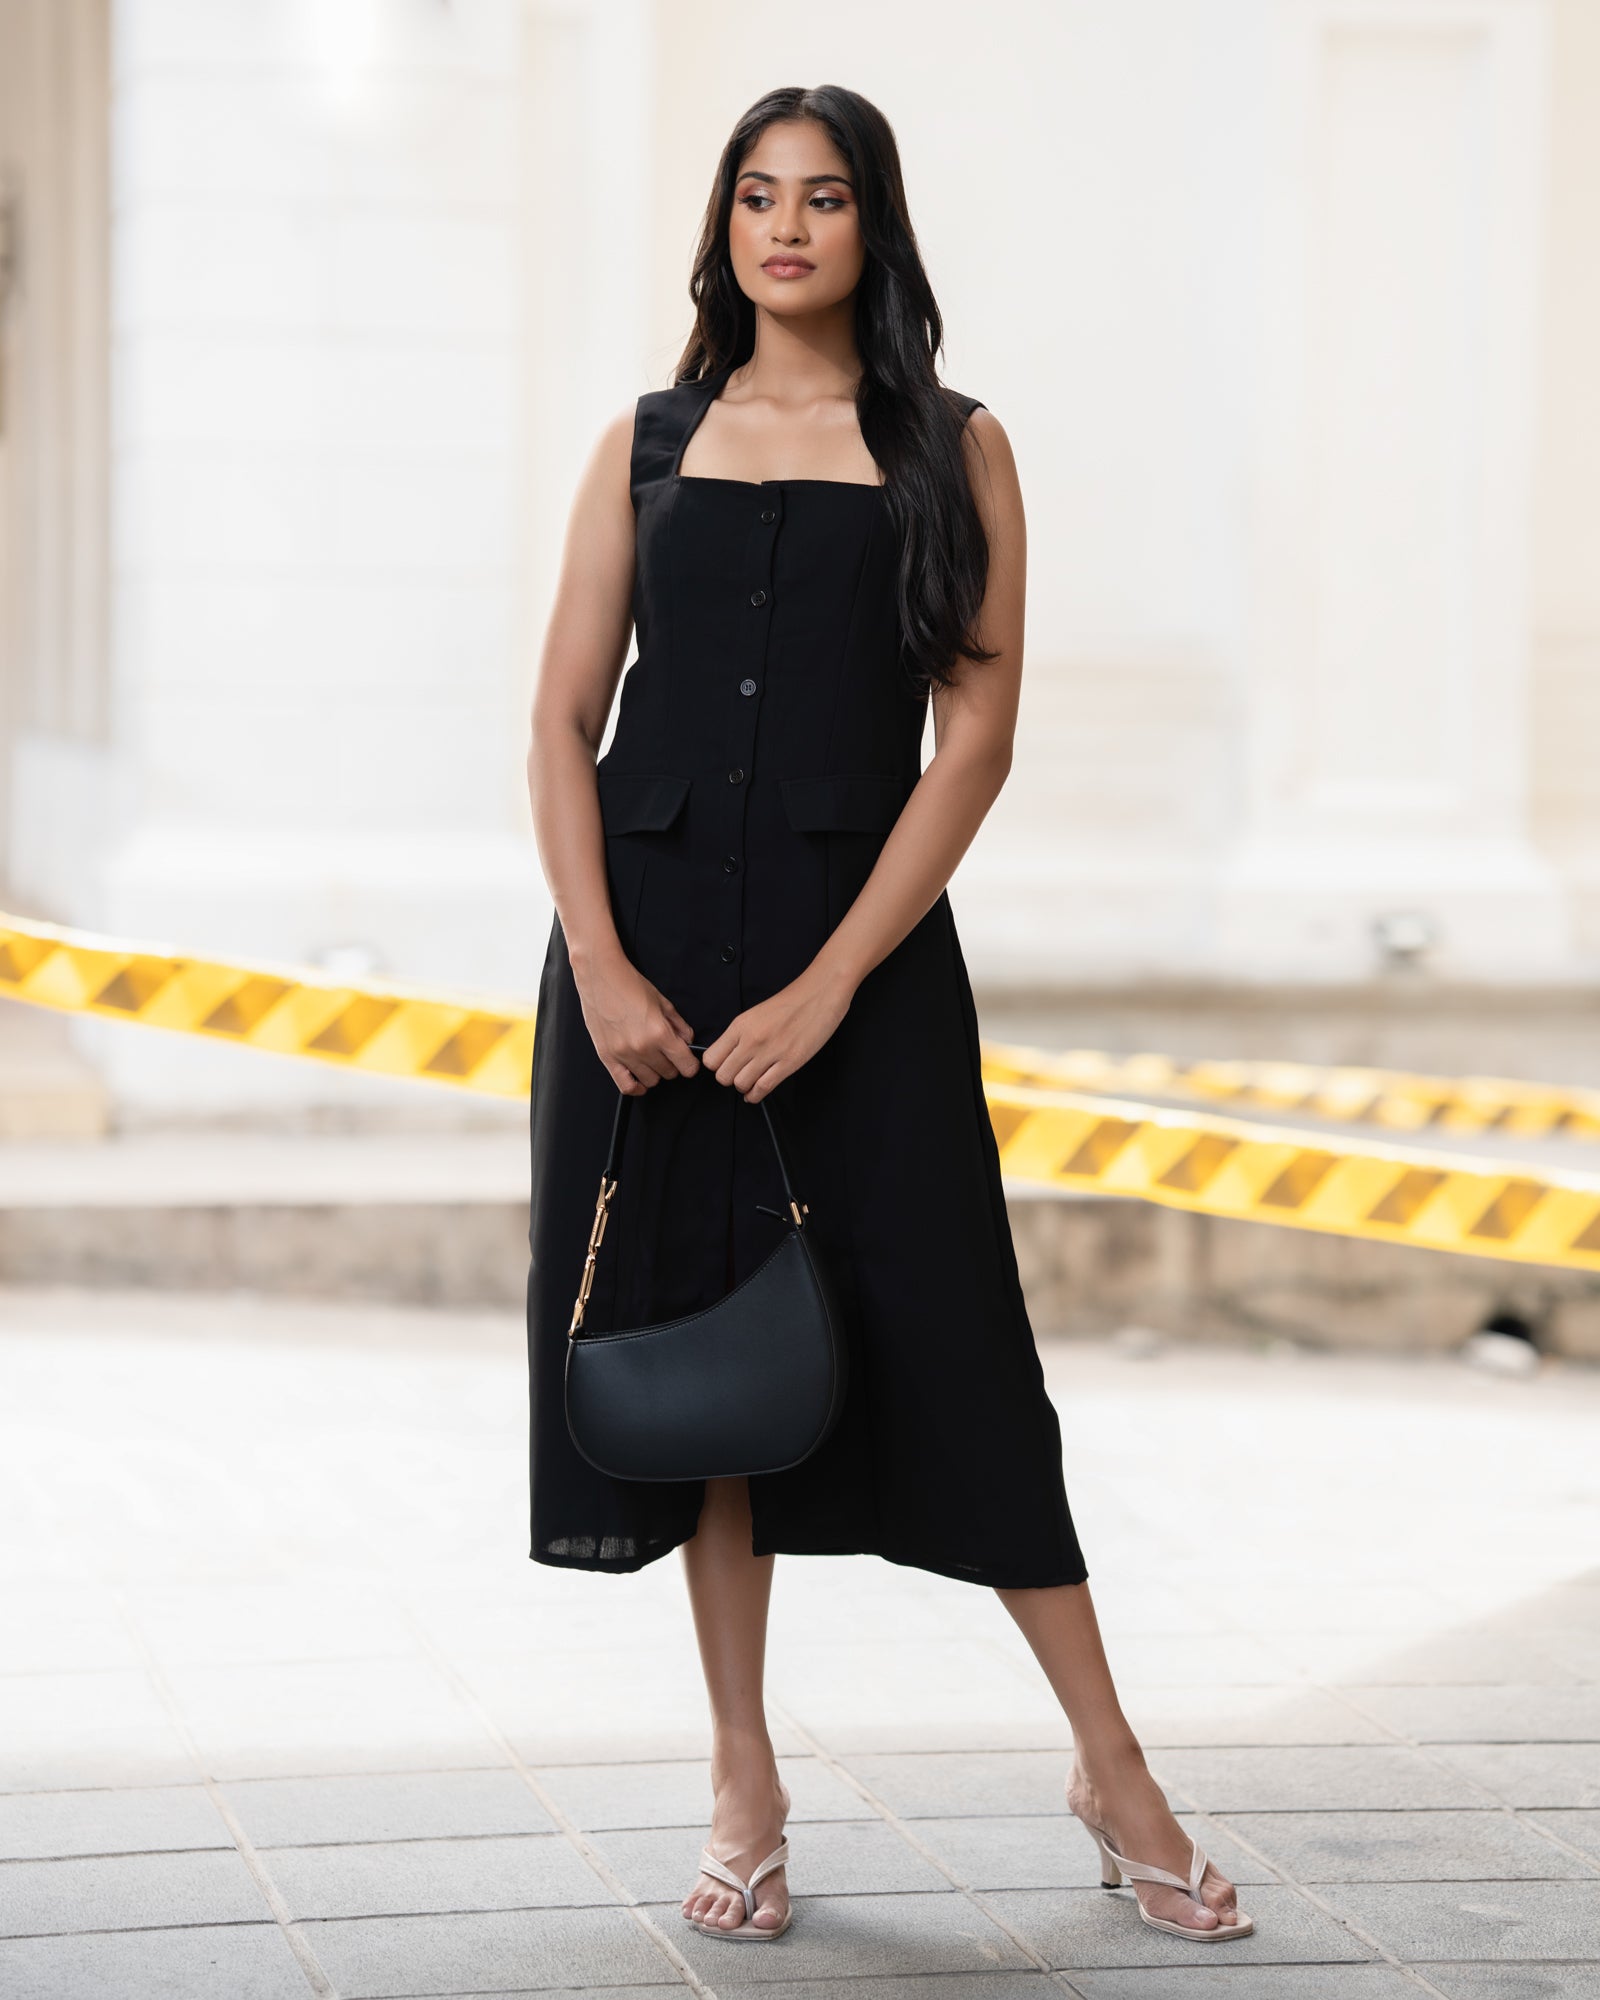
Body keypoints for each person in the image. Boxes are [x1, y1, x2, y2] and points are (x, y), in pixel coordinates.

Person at [523, 83, 1251, 1948]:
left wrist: (834, 981)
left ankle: (1114, 1765)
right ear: (726, 228)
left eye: (824, 199)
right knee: (706, 1380)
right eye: (758, 197)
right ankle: (743, 1784)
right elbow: (560, 722)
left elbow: (978, 740)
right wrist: (604, 964)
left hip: (870, 972)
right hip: (651, 977)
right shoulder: (647, 443)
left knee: (963, 1351)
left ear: (874, 228)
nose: (787, 228)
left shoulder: (958, 449)